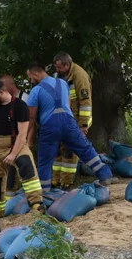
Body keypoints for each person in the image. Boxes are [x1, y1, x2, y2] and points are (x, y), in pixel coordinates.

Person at [25, 63, 111, 192]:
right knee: (85, 149)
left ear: (36, 74)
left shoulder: (36, 90)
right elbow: (69, 102)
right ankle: (105, 174)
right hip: (69, 122)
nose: (31, 80)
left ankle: (44, 191)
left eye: (30, 77)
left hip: (49, 126)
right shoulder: (63, 83)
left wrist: (28, 138)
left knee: (45, 160)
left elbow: (31, 118)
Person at [0, 79, 43, 217]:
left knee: (26, 167)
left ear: (0, 92)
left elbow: (22, 134)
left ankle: (36, 204)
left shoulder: (20, 106)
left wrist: (13, 154)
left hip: (16, 144)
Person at [52, 52, 94, 188]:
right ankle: (56, 179)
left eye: (59, 68)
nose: (57, 71)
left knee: (70, 152)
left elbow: (85, 102)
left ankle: (66, 182)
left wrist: (83, 125)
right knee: (58, 150)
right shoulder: (63, 75)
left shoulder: (80, 76)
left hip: (77, 121)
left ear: (67, 65)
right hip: (66, 119)